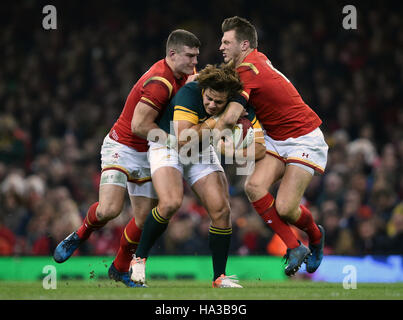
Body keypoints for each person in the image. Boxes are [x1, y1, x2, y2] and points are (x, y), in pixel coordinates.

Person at [53, 29, 201, 287]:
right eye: (190, 56)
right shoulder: (160, 82)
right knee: (110, 209)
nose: (194, 62)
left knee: (145, 220)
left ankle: (120, 268)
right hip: (123, 147)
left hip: (149, 153)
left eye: (197, 57)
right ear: (172, 54)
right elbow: (138, 126)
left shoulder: (187, 75)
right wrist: (176, 141)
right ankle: (80, 234)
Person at [129, 63, 266, 287]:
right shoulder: (190, 93)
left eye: (218, 102)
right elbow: (184, 139)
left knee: (222, 210)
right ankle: (139, 259)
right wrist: (217, 121)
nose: (211, 104)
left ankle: (219, 277)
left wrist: (232, 150)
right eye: (209, 98)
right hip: (169, 145)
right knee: (171, 202)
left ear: (230, 99)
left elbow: (259, 148)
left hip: (201, 150)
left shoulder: (240, 106)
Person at [215, 16, 327, 276]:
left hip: (303, 137)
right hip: (277, 136)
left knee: (286, 208)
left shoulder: (249, 70)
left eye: (226, 42)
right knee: (253, 187)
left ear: (244, 45)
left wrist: (203, 137)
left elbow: (231, 117)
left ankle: (316, 236)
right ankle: (294, 247)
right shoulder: (254, 61)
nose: (221, 47)